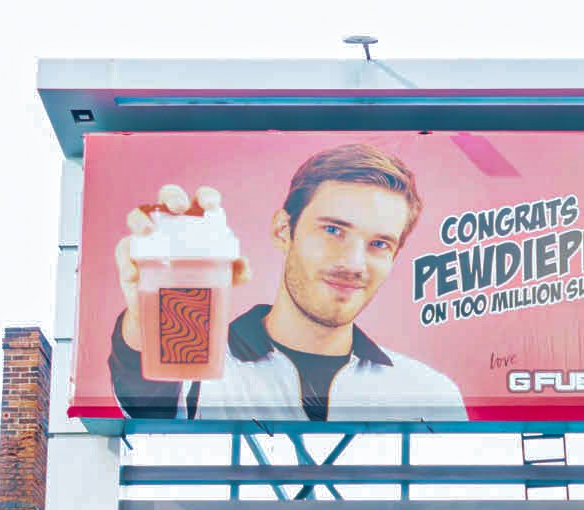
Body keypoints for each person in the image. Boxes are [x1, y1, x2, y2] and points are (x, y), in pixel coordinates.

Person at [106, 143, 471, 423]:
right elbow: (142, 392)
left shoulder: (431, 394)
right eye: (333, 230)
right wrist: (149, 315)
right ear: (284, 230)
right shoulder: (200, 372)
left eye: (379, 244)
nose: (354, 264)